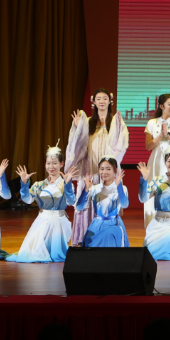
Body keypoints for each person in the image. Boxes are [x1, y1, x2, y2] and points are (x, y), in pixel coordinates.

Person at [67, 88, 129, 246]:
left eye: (105, 98)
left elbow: (121, 145)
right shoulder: (88, 122)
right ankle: (85, 239)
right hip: (90, 170)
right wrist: (78, 128)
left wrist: (109, 169)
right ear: (93, 101)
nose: (102, 101)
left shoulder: (116, 122)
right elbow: (78, 147)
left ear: (110, 101)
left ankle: (106, 238)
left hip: (107, 172)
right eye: (98, 98)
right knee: (86, 203)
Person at [6, 144, 79, 263]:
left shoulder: (65, 183)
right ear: (45, 165)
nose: (51, 166)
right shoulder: (39, 185)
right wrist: (24, 184)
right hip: (42, 221)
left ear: (61, 164)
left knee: (55, 254)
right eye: (48, 163)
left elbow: (71, 201)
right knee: (34, 253)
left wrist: (67, 185)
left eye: (55, 163)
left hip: (59, 222)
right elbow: (27, 200)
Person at [143, 93, 170, 227]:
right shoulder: (152, 123)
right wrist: (160, 135)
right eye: (169, 104)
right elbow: (148, 146)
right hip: (156, 159)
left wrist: (168, 135)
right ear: (161, 106)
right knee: (154, 189)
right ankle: (153, 225)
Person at [74, 157, 129, 247]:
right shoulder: (94, 188)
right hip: (97, 224)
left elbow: (125, 205)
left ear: (115, 170)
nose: (104, 172)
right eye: (102, 169)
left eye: (108, 169)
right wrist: (86, 189)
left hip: (114, 224)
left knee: (108, 237)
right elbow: (79, 207)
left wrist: (119, 186)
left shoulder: (122, 188)